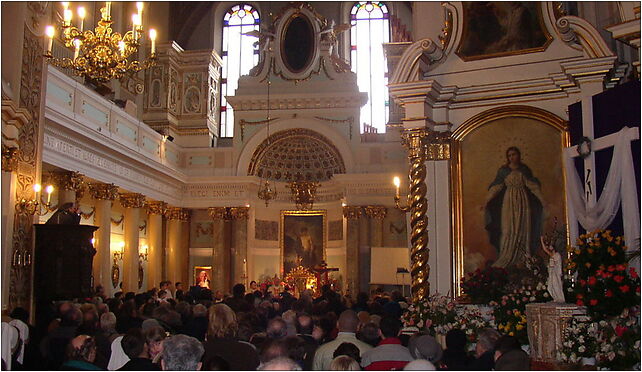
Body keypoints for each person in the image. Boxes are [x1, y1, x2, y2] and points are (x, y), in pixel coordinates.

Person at [484, 146, 544, 268]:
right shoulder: (504, 171)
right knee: (508, 229)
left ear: (519, 155)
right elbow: (496, 187)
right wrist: (486, 201)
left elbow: (532, 186)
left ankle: (523, 257)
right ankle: (506, 254)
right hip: (509, 201)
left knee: (523, 227)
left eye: (514, 154)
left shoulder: (524, 170)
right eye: (510, 155)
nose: (512, 157)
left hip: (522, 200)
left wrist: (543, 200)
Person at [541, 236, 565, 303]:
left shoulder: (557, 255)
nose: (549, 248)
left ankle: (560, 298)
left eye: (551, 246)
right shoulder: (552, 255)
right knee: (550, 287)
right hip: (552, 272)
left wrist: (541, 241)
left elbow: (545, 250)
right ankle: (555, 298)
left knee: (556, 285)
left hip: (556, 273)